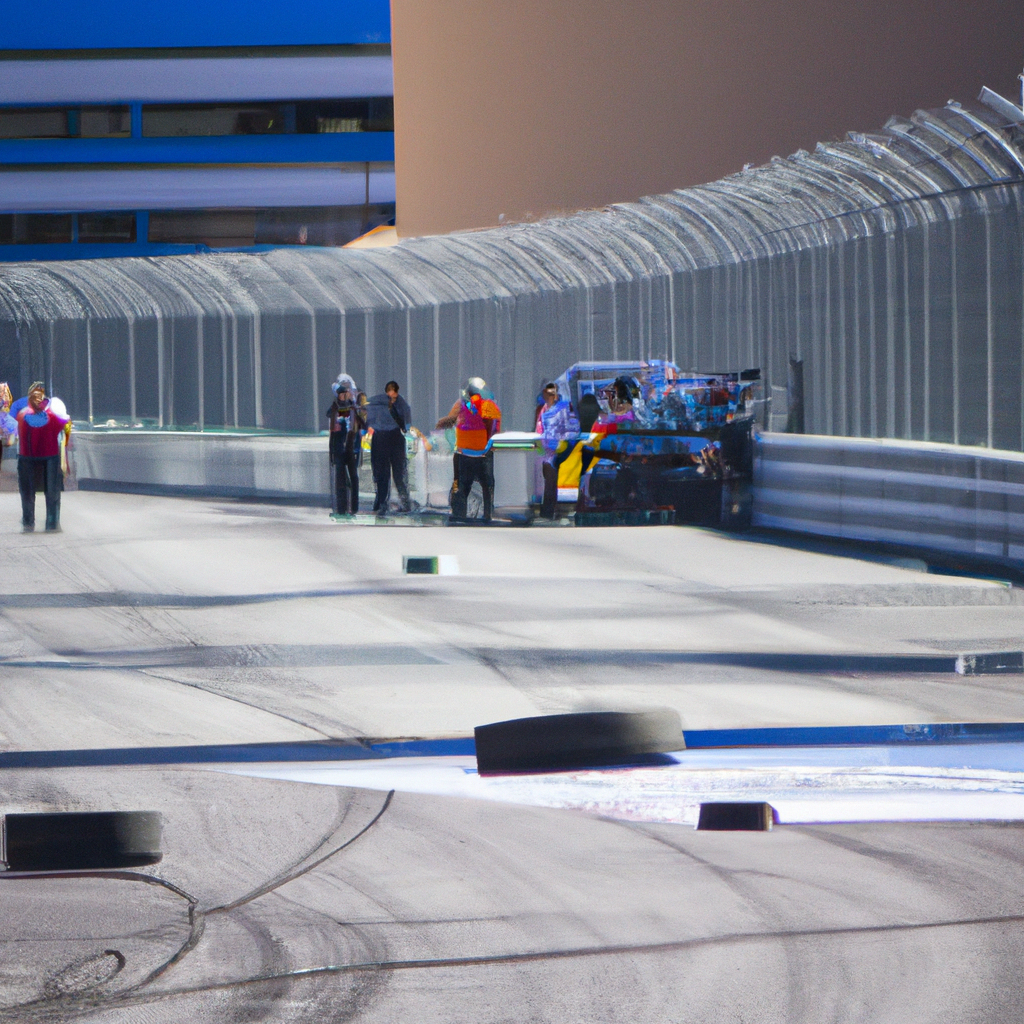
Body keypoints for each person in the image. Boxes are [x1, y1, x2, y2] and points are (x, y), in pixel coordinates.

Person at [436, 376, 502, 522]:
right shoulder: (490, 406)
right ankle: (487, 515)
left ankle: (459, 514)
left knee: (461, 485)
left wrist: (441, 424)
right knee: (487, 486)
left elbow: (449, 420)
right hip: (484, 454)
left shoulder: (461, 405)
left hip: (464, 453)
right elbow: (494, 430)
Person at [16, 381, 70, 532]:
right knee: (50, 492)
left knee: (28, 493)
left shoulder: (23, 415)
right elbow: (65, 423)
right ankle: (50, 523)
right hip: (44, 456)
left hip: (30, 456)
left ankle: (30, 522)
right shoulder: (52, 416)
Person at [364, 380, 412, 514]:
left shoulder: (383, 403)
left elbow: (368, 418)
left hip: (385, 439)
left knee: (390, 474)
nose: (393, 398)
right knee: (388, 474)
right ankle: (384, 503)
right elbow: (407, 421)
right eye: (391, 395)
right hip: (388, 439)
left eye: (394, 396)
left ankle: (387, 503)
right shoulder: (388, 403)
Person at [535, 382, 580, 519]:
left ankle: (551, 512)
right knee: (548, 483)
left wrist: (563, 443)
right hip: (545, 452)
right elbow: (539, 429)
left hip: (559, 452)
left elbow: (573, 428)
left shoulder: (564, 408)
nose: (548, 396)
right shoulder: (542, 409)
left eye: (551, 394)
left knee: (552, 483)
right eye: (546, 393)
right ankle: (548, 512)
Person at [326, 373, 366, 515]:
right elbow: (332, 428)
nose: (346, 394)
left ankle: (353, 508)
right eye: (343, 392)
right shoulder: (335, 408)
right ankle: (341, 508)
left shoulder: (353, 406)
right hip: (339, 447)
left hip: (351, 447)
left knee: (353, 478)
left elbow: (362, 425)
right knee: (341, 479)